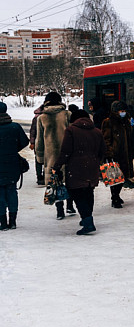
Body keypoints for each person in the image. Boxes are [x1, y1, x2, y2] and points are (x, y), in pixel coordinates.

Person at [53, 110, 105, 235]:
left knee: (76, 193)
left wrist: (57, 166)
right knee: (88, 191)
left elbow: (66, 151)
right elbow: (103, 150)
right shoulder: (97, 131)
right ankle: (87, 217)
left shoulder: (71, 131)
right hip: (92, 167)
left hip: (76, 167)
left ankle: (88, 222)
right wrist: (95, 161)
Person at [35, 91, 73, 220]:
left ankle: (59, 210)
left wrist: (39, 157)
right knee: (69, 181)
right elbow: (73, 134)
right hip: (68, 154)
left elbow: (39, 140)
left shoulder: (42, 118)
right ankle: (70, 205)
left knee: (55, 182)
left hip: (51, 156)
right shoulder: (67, 115)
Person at [0, 101, 30, 231]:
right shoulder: (15, 127)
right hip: (12, 163)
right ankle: (12, 221)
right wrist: (12, 150)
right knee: (12, 190)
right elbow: (24, 142)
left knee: (0, 193)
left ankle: (3, 222)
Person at [101, 100, 134, 209]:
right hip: (115, 154)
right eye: (121, 110)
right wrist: (109, 152)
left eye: (124, 110)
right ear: (115, 111)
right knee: (115, 177)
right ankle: (114, 197)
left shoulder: (126, 121)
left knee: (123, 177)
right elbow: (106, 139)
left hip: (125, 153)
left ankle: (117, 195)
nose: (123, 112)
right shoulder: (108, 122)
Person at [29, 103, 45, 185]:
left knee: (38, 160)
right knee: (45, 160)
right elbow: (33, 131)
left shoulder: (36, 118)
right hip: (42, 141)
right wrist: (32, 142)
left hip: (37, 142)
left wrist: (32, 142)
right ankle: (43, 176)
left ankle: (39, 177)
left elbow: (32, 131)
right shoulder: (41, 117)